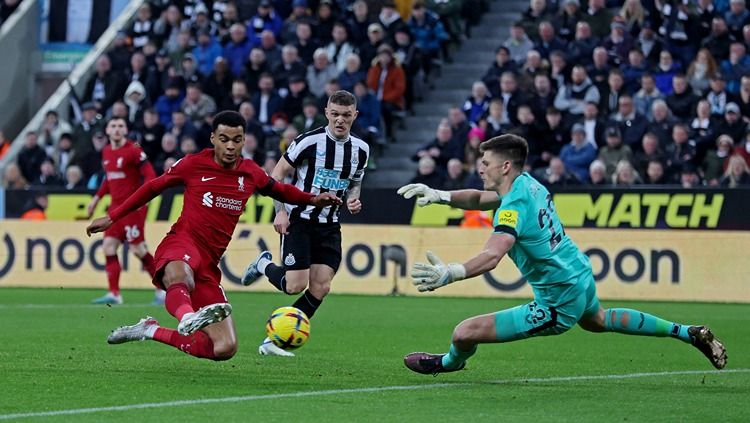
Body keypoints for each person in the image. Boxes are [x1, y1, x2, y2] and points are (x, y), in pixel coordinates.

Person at [396, 133, 727, 375]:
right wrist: (439, 194)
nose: (480, 168)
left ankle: (449, 363)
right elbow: (479, 199)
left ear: (505, 166)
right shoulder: (528, 184)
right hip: (579, 274)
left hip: (558, 300)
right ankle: (688, 332)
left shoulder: (512, 208)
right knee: (598, 321)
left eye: (486, 163)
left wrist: (451, 272)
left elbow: (493, 255)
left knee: (463, 333)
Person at [86, 110, 341, 361]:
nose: (230, 146)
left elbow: (281, 190)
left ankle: (150, 329)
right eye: (224, 139)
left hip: (209, 262)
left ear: (244, 140)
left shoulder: (250, 172)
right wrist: (113, 216)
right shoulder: (192, 164)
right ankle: (187, 317)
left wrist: (313, 199)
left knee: (224, 348)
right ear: (213, 138)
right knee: (180, 274)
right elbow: (153, 186)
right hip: (182, 242)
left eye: (237, 140)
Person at [240, 90, 369, 357]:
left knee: (321, 286)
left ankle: (274, 342)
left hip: (330, 225)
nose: (340, 120)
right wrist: (280, 212)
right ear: (326, 113)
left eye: (346, 115)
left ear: (355, 116)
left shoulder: (361, 149)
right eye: (335, 114)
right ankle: (263, 264)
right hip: (300, 219)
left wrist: (354, 200)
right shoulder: (309, 142)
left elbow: (355, 181)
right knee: (294, 286)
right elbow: (276, 174)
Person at [86, 117, 163, 305]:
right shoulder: (106, 152)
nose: (117, 129)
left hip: (132, 209)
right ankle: (114, 293)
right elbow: (109, 179)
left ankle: (163, 290)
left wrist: (144, 200)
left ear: (126, 129)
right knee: (108, 247)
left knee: (138, 250)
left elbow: (150, 175)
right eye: (113, 126)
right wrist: (96, 199)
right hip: (114, 210)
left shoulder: (134, 150)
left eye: (121, 126)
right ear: (107, 131)